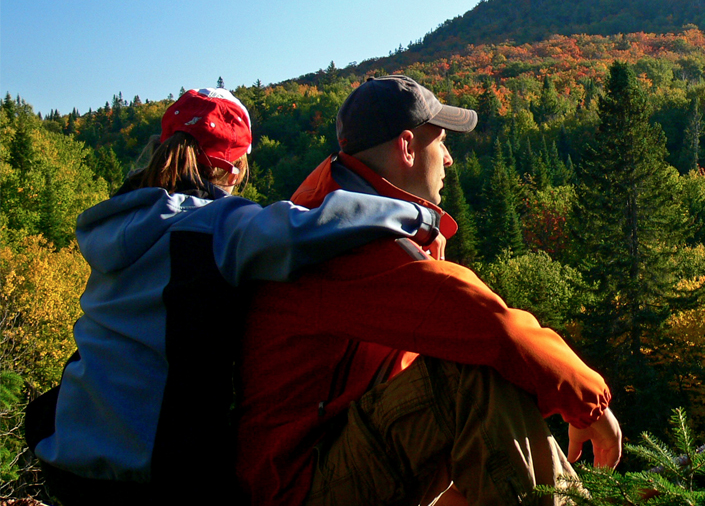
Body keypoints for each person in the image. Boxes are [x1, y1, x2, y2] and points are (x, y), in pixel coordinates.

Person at [26, 88, 446, 506]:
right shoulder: (213, 226)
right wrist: (421, 217)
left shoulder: (113, 223)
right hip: (148, 469)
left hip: (67, 451)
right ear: (235, 171)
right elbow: (314, 226)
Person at [236, 75, 620, 506]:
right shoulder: (342, 241)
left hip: (320, 463)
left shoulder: (335, 219)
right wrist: (590, 405)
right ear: (406, 147)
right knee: (469, 374)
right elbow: (495, 329)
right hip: (299, 487)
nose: (449, 159)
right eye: (440, 142)